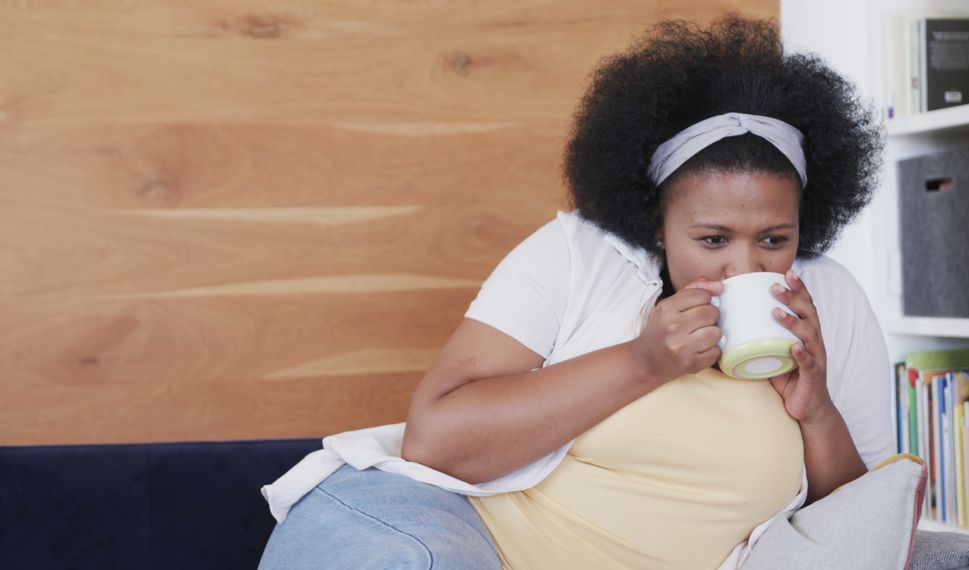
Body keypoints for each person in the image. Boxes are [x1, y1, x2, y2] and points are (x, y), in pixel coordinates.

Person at [258, 14, 892, 569]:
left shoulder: (829, 302)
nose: (742, 268)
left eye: (775, 239)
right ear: (657, 225)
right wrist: (644, 361)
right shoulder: (580, 255)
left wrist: (817, 411)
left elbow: (858, 529)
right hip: (460, 538)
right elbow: (437, 439)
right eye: (712, 239)